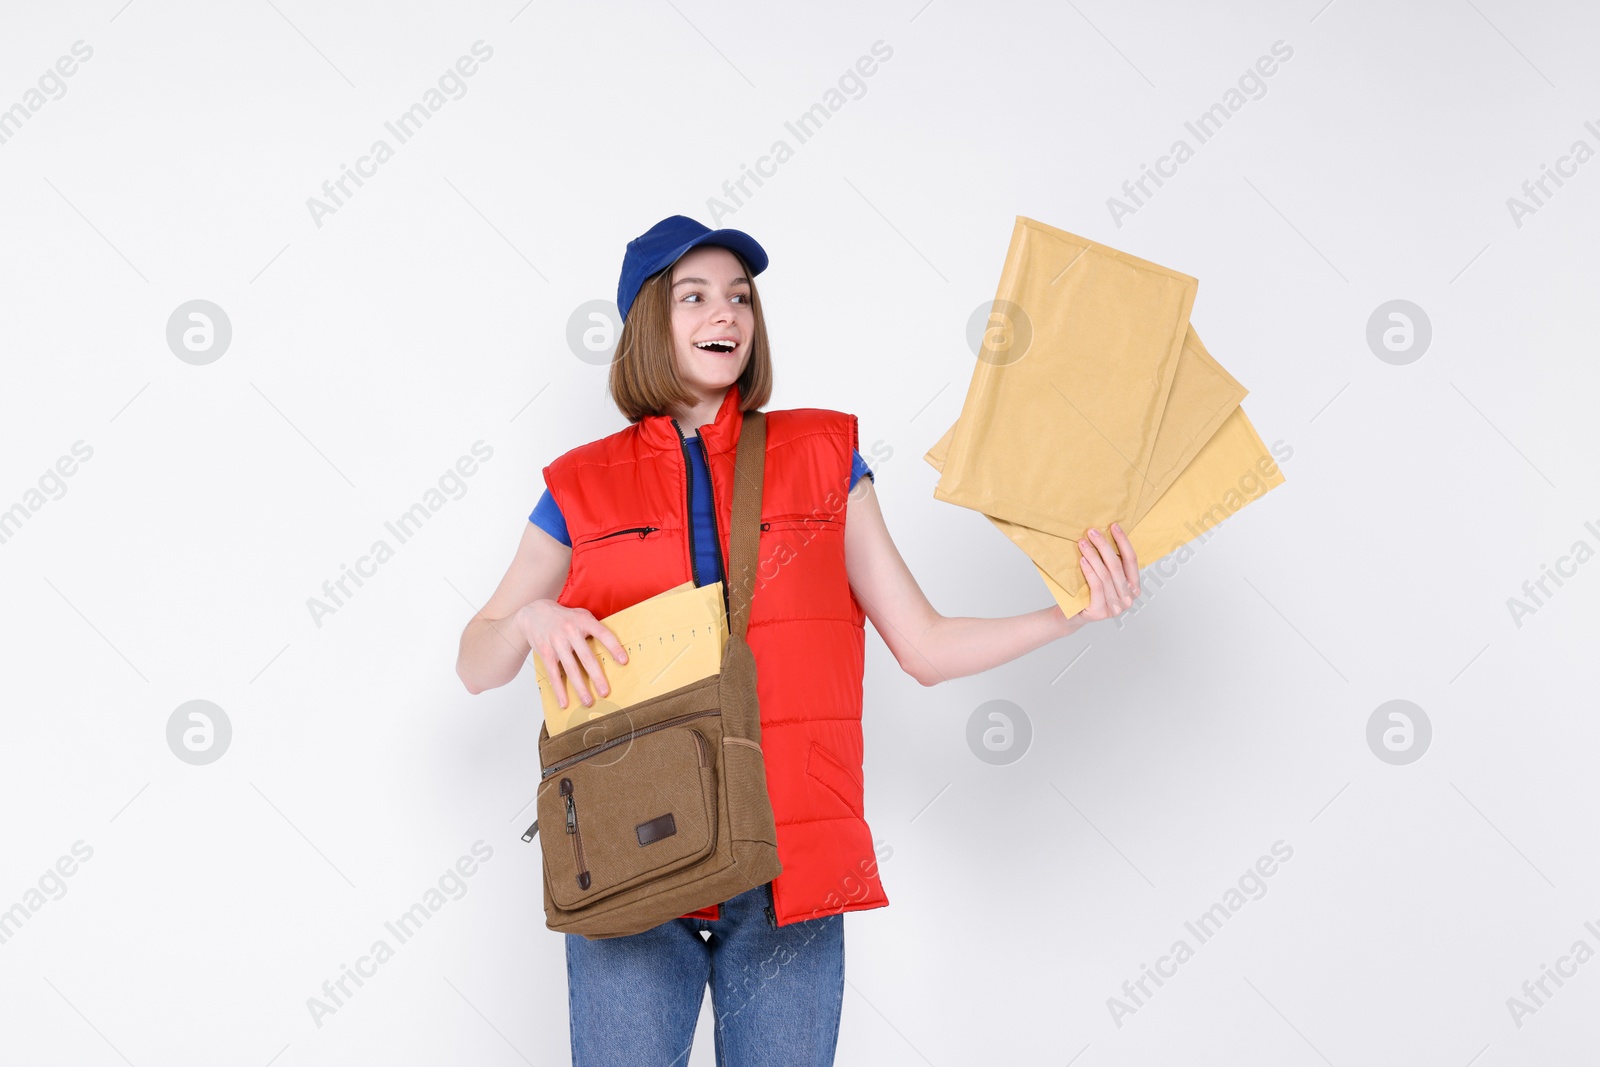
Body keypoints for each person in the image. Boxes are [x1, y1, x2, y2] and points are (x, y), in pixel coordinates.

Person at [454, 214, 1142, 1066]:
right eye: (695, 295)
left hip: (793, 860)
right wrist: (528, 618)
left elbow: (922, 645)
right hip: (633, 859)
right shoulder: (580, 485)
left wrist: (1070, 614)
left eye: (740, 297)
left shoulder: (826, 457)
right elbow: (475, 661)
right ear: (644, 324)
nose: (727, 315)